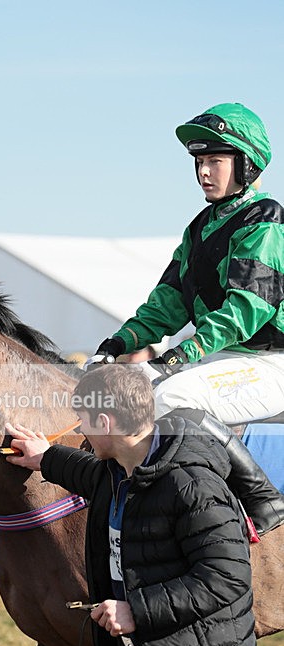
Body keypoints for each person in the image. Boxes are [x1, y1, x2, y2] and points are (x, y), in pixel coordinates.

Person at [6, 365, 257, 646]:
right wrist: (43, 456)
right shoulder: (123, 468)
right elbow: (88, 473)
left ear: (105, 423)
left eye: (83, 421)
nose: (79, 433)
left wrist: (134, 611)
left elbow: (226, 577)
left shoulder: (191, 484)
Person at [87, 102, 284, 535]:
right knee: (127, 399)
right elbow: (167, 303)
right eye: (199, 161)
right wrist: (118, 344)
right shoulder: (198, 228)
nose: (204, 172)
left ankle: (262, 498)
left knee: (168, 398)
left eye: (215, 160)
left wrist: (185, 353)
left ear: (246, 164)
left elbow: (246, 308)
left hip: (270, 362)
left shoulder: (265, 220)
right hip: (223, 358)